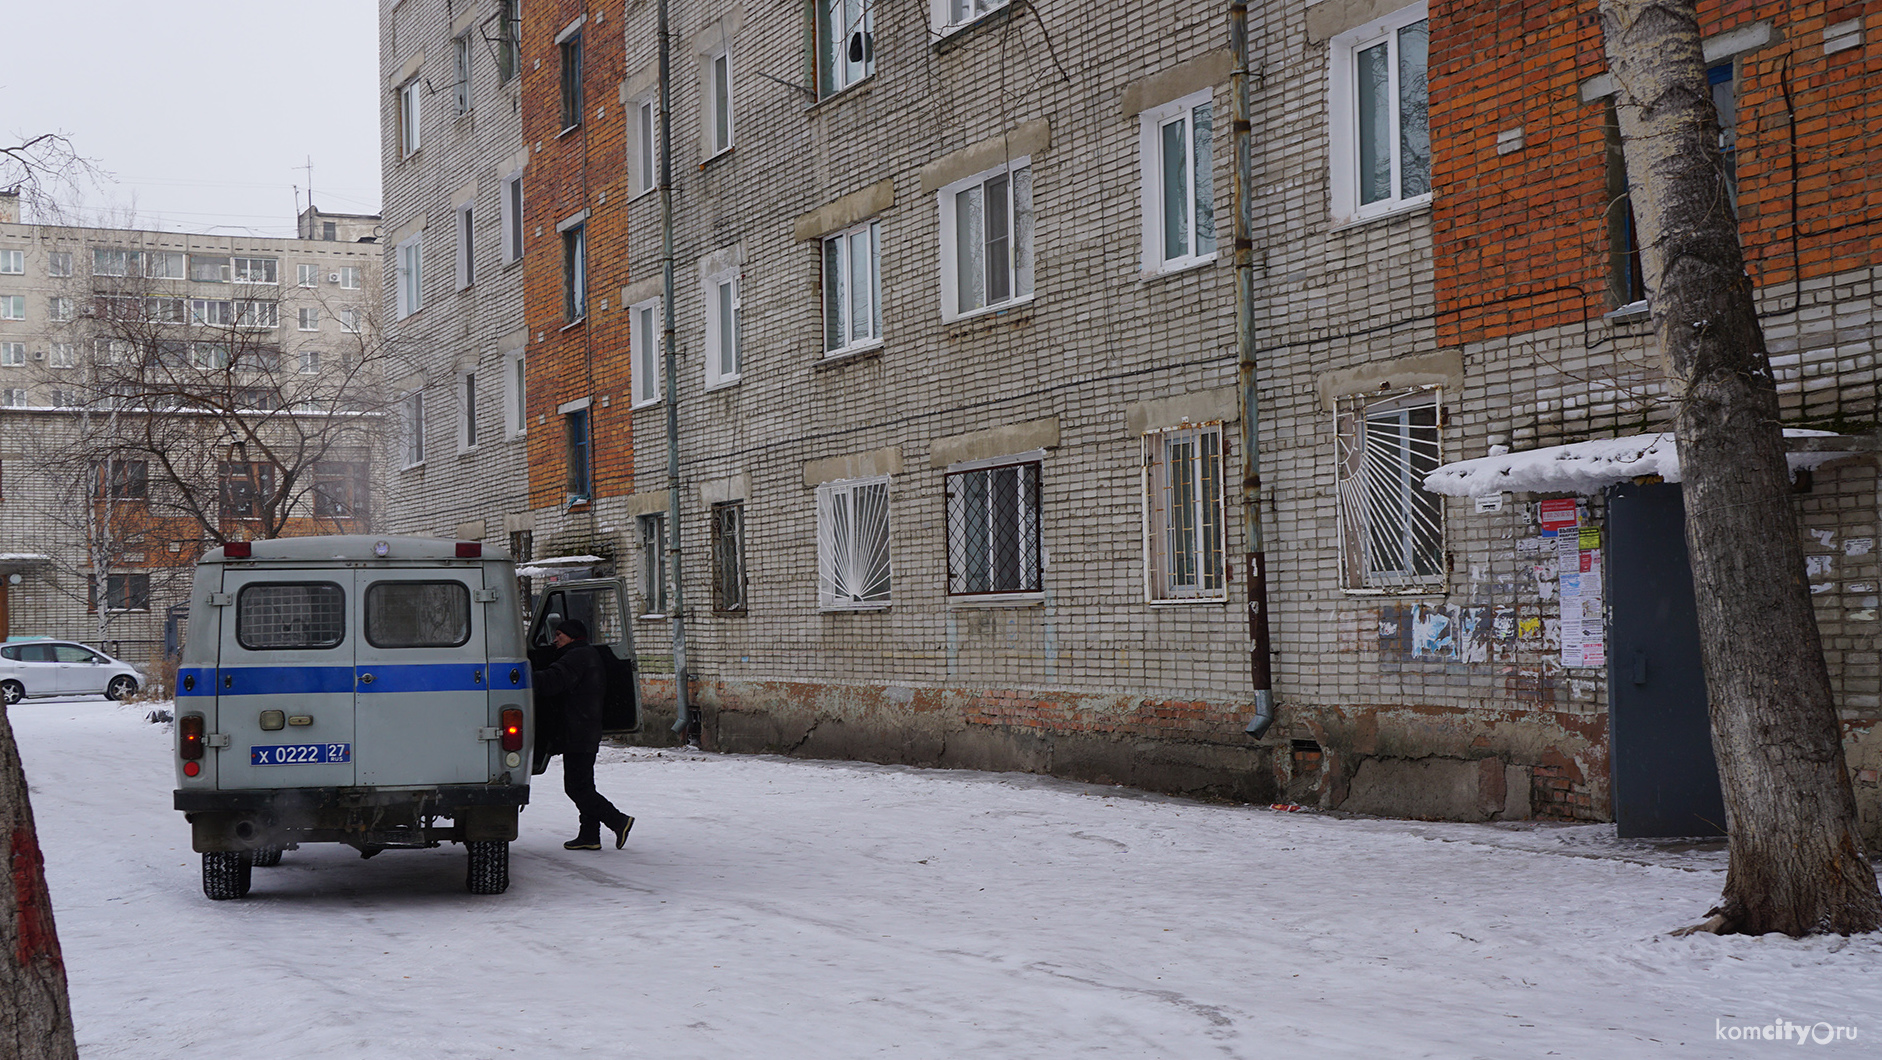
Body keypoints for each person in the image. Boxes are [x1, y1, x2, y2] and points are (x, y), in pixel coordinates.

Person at [532, 618, 635, 851]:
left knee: (576, 787)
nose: (555, 639)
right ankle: (589, 835)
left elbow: (554, 681)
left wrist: (522, 675)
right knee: (584, 785)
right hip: (583, 728)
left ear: (572, 636)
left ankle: (618, 820)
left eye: (559, 634)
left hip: (578, 730)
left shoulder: (577, 656)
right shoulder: (583, 654)